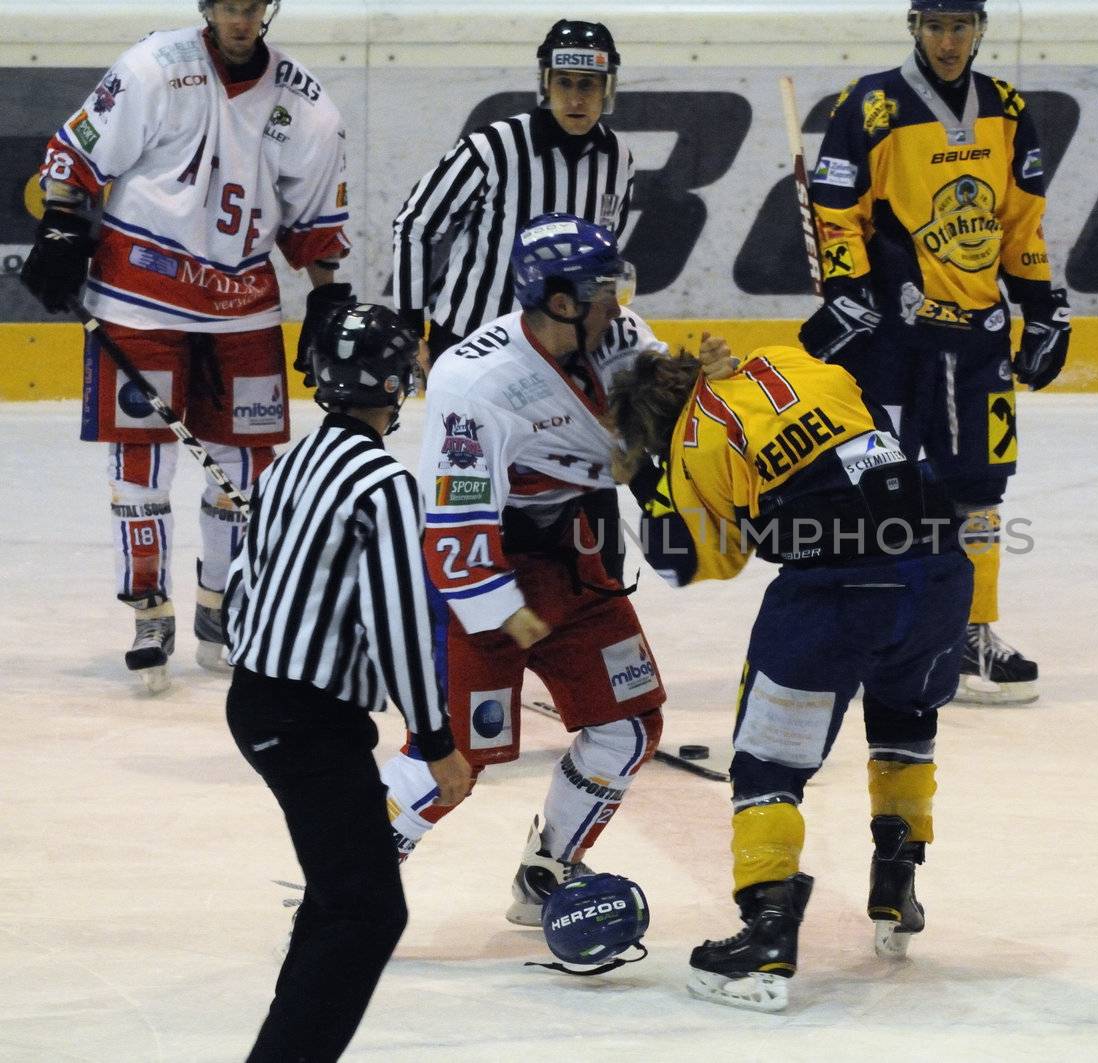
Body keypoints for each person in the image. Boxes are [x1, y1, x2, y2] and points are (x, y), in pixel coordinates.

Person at [376, 214, 731, 927]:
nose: (617, 301)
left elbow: (656, 423)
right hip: (482, 576)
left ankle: (549, 869)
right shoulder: (477, 380)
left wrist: (698, 387)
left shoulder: (620, 334)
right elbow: (455, 517)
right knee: (453, 758)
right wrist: (498, 604)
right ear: (560, 302)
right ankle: (348, 879)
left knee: (628, 722)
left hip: (575, 557)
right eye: (601, 288)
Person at [607, 344, 973, 1012]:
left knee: (767, 765)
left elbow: (692, 561)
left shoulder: (692, 441)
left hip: (837, 594)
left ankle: (768, 932)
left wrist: (639, 479)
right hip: (944, 571)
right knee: (905, 715)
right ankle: (897, 882)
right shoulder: (785, 360)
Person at [18, 0, 356, 692]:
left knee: (243, 473)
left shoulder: (306, 103)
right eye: (229, 4)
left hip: (242, 308)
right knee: (141, 466)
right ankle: (149, 610)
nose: (242, 18)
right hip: (141, 298)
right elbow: (75, 156)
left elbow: (315, 222)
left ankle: (219, 608)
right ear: (207, 7)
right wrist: (58, 224)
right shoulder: (153, 69)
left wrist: (325, 295)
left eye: (253, 5)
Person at [801, 0, 1071, 705]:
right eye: (935, 26)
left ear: (981, 29)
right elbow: (837, 212)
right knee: (880, 489)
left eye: (961, 27)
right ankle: (873, 631)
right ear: (913, 27)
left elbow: (1021, 220)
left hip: (978, 337)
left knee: (981, 490)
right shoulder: (871, 104)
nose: (948, 42)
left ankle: (972, 633)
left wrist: (1042, 305)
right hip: (893, 338)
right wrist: (851, 292)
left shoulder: (1007, 108)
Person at [224, 302, 472, 1062]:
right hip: (309, 720)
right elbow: (397, 620)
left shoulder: (286, 460)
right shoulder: (384, 484)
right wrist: (437, 743)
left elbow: (240, 588)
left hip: (259, 699)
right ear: (395, 383)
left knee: (341, 895)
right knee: (367, 911)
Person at [393, 18, 635, 581]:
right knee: (477, 487)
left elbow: (604, 250)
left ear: (609, 89)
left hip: (563, 349)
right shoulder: (492, 148)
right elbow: (415, 225)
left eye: (590, 85)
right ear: (545, 83)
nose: (576, 97)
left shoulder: (620, 158)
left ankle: (596, 591)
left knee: (583, 474)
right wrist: (413, 332)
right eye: (565, 82)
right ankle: (469, 608)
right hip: (476, 348)